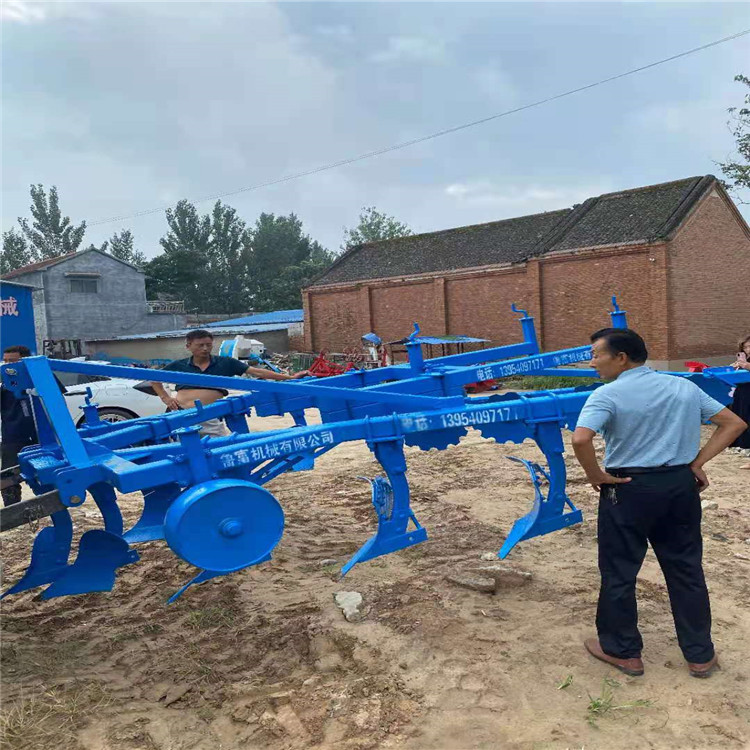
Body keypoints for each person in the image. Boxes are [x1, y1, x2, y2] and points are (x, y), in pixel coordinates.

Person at [571, 328, 746, 679]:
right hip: (679, 487)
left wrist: (596, 475)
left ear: (621, 358)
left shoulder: (607, 394)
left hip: (629, 488)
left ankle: (622, 651)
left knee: (620, 570)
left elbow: (580, 439)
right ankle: (700, 655)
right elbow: (733, 423)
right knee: (686, 568)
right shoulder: (683, 387)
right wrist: (697, 463)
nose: (592, 363)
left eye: (595, 355)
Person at [150, 329, 309, 436]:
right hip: (180, 414)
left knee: (218, 448)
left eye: (208, 345)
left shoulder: (225, 363)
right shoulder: (179, 365)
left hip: (209, 416)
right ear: (188, 346)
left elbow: (257, 372)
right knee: (184, 452)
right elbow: (154, 379)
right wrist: (166, 398)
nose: (205, 349)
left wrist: (290, 378)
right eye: (200, 345)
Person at [1, 346, 66, 506]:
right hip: (13, 435)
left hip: (43, 436)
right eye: (5, 361)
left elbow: (58, 401)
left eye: (12, 361)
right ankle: (12, 508)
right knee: (8, 475)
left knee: (50, 470)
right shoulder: (4, 382)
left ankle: (54, 504)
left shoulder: (43, 377)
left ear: (24, 361)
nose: (8, 365)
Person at [728, 334, 750, 457]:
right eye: (745, 347)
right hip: (742, 392)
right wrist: (734, 368)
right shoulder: (744, 360)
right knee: (742, 419)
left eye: (749, 346)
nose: (748, 350)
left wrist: (747, 366)